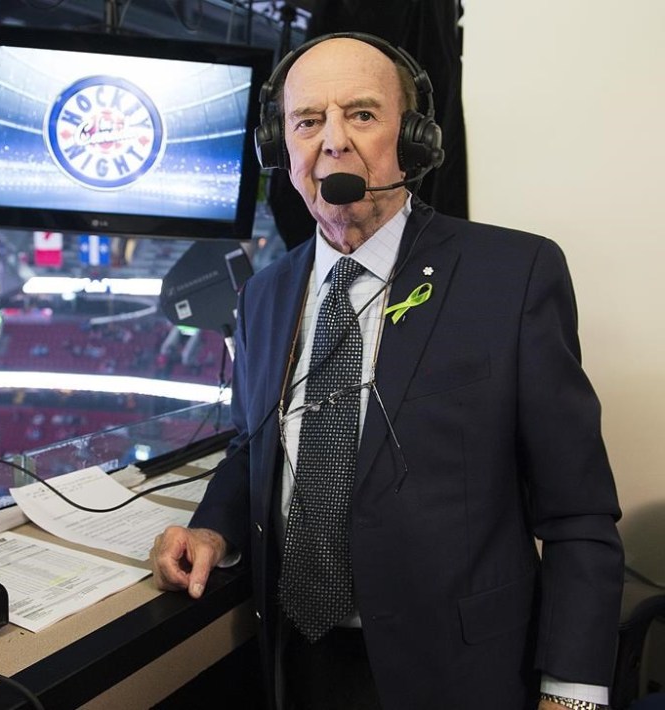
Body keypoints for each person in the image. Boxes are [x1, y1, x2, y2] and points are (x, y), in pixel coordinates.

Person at [150, 33, 624, 710]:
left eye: (362, 114)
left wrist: (572, 694)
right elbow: (254, 443)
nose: (333, 142)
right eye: (308, 121)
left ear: (414, 141)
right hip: (294, 661)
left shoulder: (513, 277)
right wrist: (211, 526)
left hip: (456, 674)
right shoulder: (265, 293)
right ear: (280, 151)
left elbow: (578, 512)